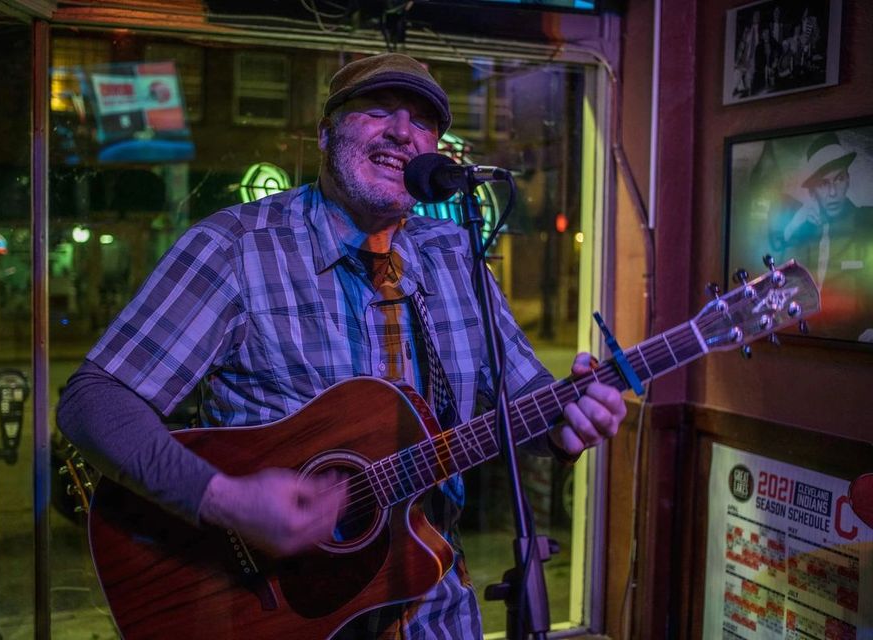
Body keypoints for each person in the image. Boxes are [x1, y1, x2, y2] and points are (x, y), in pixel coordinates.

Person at [57, 52, 627, 638]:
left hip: (436, 612)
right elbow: (93, 400)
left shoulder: (457, 255)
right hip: (275, 614)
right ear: (327, 134)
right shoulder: (236, 248)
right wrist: (223, 499)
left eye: (424, 121)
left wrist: (565, 421)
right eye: (378, 110)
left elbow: (524, 404)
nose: (403, 131)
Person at [782, 133, 873, 342]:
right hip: (803, 344)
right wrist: (793, 229)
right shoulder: (802, 230)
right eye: (823, 184)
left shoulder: (867, 221)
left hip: (853, 346)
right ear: (813, 190)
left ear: (848, 180)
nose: (833, 192)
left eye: (839, 179)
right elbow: (781, 293)